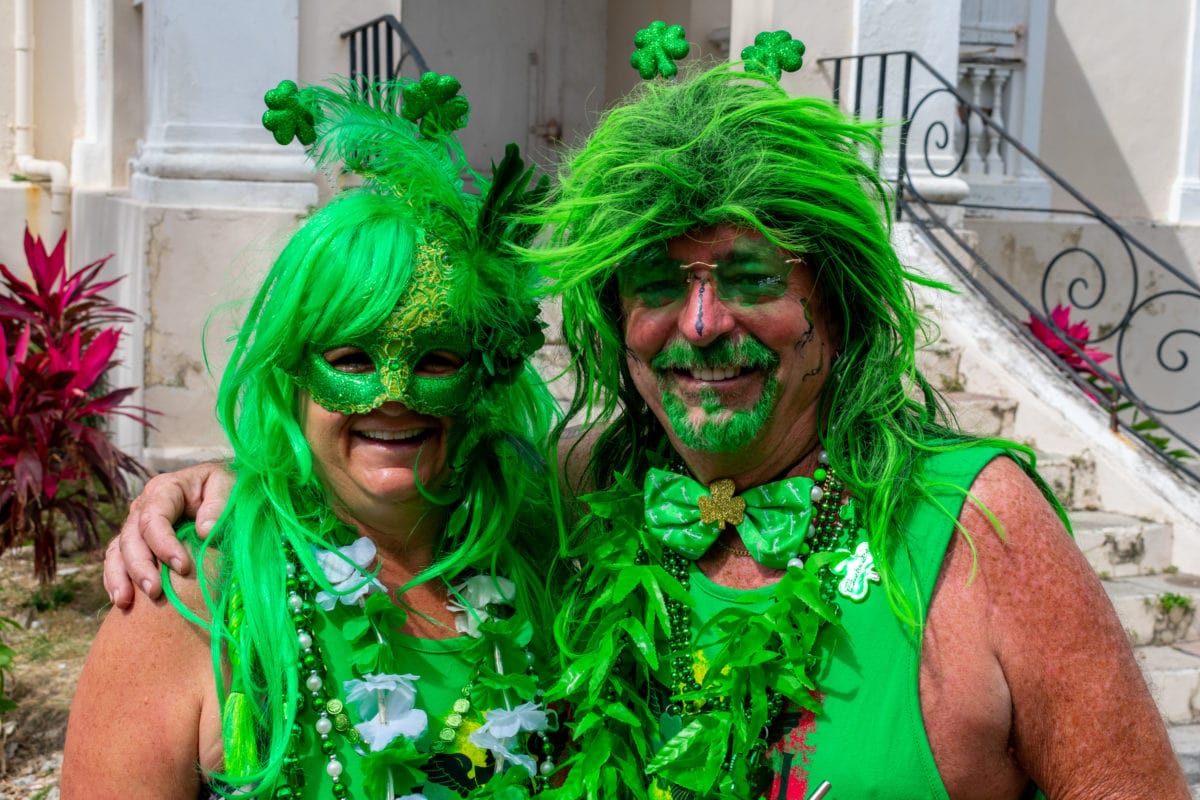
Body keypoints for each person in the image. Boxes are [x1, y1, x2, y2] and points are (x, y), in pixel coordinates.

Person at [101, 24, 1190, 800]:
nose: (701, 323)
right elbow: (391, 484)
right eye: (658, 285)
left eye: (750, 275)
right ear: (616, 322)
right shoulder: (585, 500)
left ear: (836, 307)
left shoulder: (980, 527)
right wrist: (238, 481)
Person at [64, 74, 562, 798]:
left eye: (436, 361)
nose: (393, 395)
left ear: (484, 379)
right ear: (293, 377)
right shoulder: (193, 600)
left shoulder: (544, 554)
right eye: (353, 360)